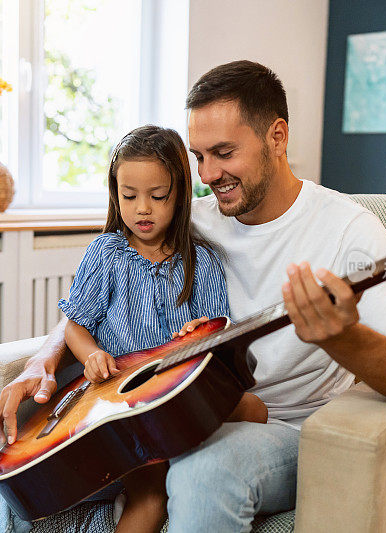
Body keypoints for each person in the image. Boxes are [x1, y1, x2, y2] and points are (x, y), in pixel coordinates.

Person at [0, 60, 386, 532]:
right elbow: (94, 298)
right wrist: (43, 360)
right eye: (199, 157)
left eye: (224, 154)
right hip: (158, 407)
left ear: (277, 136)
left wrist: (344, 337)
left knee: (201, 470)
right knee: (13, 469)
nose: (206, 176)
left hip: (279, 426)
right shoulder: (188, 219)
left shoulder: (349, 231)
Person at [56, 125, 267, 532]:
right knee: (150, 497)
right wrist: (91, 354)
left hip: (184, 395)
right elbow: (75, 327)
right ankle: (153, 484)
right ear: (115, 195)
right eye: (129, 196)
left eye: (157, 196)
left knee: (255, 409)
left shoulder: (200, 261)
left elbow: (217, 338)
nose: (142, 209)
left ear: (180, 194)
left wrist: (201, 333)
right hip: (129, 402)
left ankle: (189, 468)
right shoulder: (107, 254)